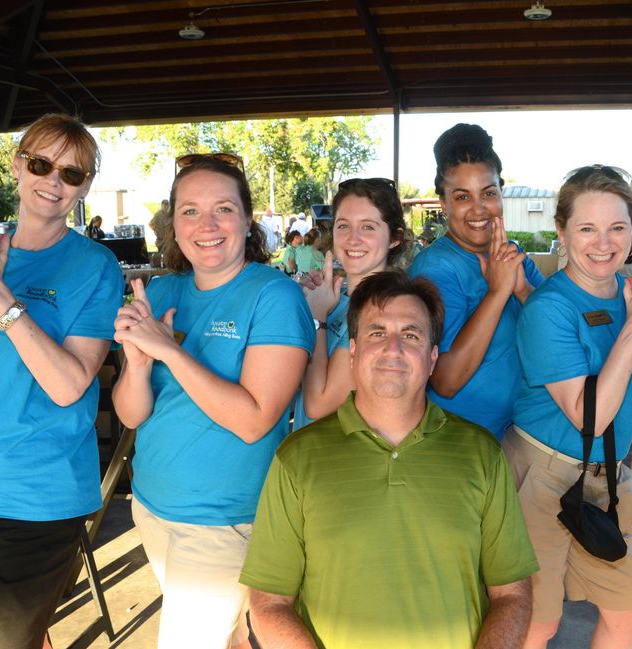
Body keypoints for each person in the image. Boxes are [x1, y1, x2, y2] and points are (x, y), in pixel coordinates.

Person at [242, 270, 539, 649]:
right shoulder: (297, 459)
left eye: (411, 335)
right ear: (353, 351)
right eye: (376, 333)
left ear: (433, 358)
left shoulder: (481, 454)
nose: (392, 348)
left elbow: (512, 593)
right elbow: (269, 601)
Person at [0, 113, 123, 648]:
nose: (53, 181)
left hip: (39, 490)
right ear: (17, 166)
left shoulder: (96, 266)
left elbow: (68, 385)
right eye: (41, 163)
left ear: (85, 187)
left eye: (72, 173)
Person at [112, 153, 315, 649]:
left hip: (225, 519)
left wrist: (167, 351)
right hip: (154, 507)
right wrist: (138, 366)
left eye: (223, 209)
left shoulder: (273, 295)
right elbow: (131, 413)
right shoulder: (160, 291)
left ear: (248, 220)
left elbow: (254, 421)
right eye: (190, 211)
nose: (207, 225)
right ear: (173, 224)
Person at [505, 165, 632, 649]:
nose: (603, 243)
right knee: (537, 623)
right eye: (587, 228)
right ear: (561, 231)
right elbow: (589, 417)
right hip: (541, 475)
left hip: (606, 476)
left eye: (617, 228)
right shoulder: (549, 309)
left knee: (627, 613)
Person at [408, 123, 544, 438]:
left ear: (501, 191)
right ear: (443, 204)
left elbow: (559, 325)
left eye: (488, 193)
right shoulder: (435, 269)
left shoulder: (513, 253)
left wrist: (522, 290)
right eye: (462, 197)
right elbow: (446, 380)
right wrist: (498, 292)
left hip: (521, 435)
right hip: (460, 443)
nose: (479, 208)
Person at [292, 177, 407, 430]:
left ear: (394, 238)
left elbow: (318, 405)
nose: (353, 239)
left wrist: (316, 318)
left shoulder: (380, 310)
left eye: (368, 227)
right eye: (343, 226)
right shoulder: (339, 299)